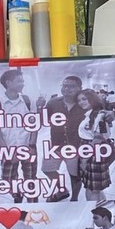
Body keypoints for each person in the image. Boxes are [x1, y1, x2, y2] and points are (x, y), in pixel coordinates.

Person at [0, 69, 38, 203]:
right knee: (7, 180)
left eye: (23, 81)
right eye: (19, 81)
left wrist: (32, 145)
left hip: (28, 146)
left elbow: (34, 125)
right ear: (8, 83)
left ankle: (33, 205)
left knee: (31, 180)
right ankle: (17, 196)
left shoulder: (28, 101)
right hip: (8, 148)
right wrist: (7, 151)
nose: (22, 84)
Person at [39, 75, 84, 203]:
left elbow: (99, 112)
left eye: (71, 86)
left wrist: (111, 113)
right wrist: (39, 108)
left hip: (76, 147)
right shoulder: (52, 103)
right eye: (64, 86)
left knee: (75, 176)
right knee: (47, 169)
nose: (66, 89)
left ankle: (74, 199)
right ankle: (62, 190)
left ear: (80, 88)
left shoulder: (84, 104)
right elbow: (42, 120)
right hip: (56, 145)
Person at [76, 89, 114, 201]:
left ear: (92, 98)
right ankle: (101, 207)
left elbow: (98, 138)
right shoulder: (90, 114)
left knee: (91, 189)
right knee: (96, 188)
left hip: (93, 153)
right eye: (79, 100)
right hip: (92, 151)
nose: (81, 102)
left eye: (84, 99)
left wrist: (84, 159)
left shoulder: (99, 115)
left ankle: (93, 210)